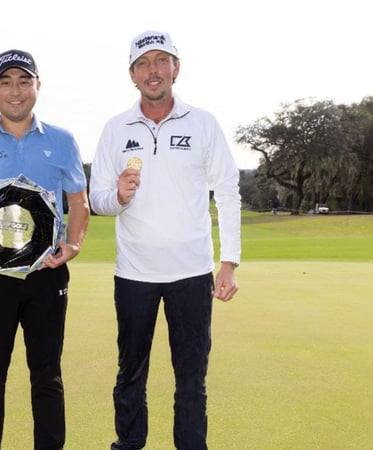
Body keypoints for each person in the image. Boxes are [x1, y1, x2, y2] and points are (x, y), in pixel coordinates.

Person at [89, 30, 241, 450]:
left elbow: (227, 189)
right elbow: (97, 199)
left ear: (177, 68)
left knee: (192, 376)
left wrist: (229, 260)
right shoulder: (115, 128)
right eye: (143, 63)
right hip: (134, 274)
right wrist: (117, 196)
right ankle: (129, 443)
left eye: (161, 60)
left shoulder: (203, 123)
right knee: (130, 372)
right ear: (132, 75)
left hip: (192, 274)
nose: (152, 70)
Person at [0, 49, 90, 450]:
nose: (15, 91)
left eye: (24, 81)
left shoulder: (62, 142)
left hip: (47, 275)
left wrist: (74, 244)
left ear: (37, 87)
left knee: (47, 376)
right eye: (6, 82)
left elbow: (78, 202)